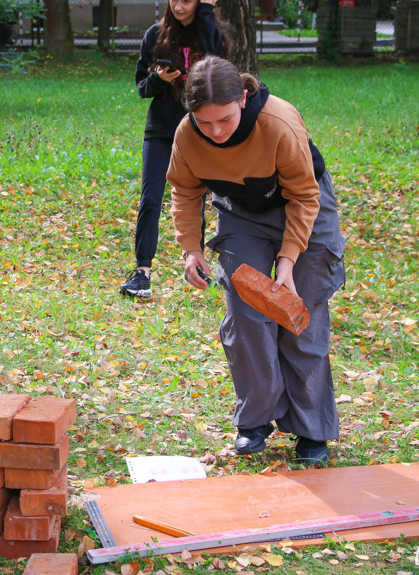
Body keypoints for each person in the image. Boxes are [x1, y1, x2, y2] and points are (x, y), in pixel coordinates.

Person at [168, 56, 346, 464]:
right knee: (246, 313)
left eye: (225, 120)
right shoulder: (187, 135)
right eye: (204, 122)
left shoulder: (278, 123)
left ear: (243, 98)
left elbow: (305, 195)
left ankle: (311, 428)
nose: (214, 132)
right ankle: (255, 418)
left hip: (303, 209)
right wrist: (191, 247)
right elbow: (184, 189)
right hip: (242, 212)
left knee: (301, 315)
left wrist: (287, 261)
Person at [119, 0, 227, 298]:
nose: (180, 6)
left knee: (196, 198)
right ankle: (142, 273)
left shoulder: (211, 33)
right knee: (150, 199)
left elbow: (218, 63)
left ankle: (197, 268)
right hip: (161, 130)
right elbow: (142, 86)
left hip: (199, 130)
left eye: (188, 0)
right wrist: (158, 79)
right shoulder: (155, 35)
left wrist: (205, 11)